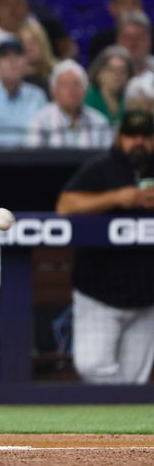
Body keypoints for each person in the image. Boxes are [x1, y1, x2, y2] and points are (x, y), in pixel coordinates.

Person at [56, 110, 154, 384]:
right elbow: (65, 205)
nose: (139, 143)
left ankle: (119, 427)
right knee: (92, 365)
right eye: (132, 136)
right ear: (120, 138)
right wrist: (117, 198)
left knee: (134, 382)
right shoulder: (102, 167)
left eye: (146, 137)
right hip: (99, 294)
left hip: (146, 300)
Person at [28, 59, 113, 148]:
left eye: (77, 84)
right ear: (54, 91)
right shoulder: (41, 120)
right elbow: (34, 156)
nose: (72, 90)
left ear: (85, 90)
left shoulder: (99, 121)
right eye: (65, 85)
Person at [88, 0, 144, 64]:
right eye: (123, 3)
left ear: (141, 6)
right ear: (112, 8)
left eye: (134, 2)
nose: (130, 8)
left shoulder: (152, 37)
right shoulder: (100, 42)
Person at [85, 45, 134, 127]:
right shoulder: (88, 97)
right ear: (99, 73)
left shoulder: (131, 99)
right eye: (111, 69)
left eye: (122, 71)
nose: (117, 75)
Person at [18, 19, 56, 95]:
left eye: (33, 42)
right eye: (23, 43)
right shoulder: (12, 76)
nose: (27, 47)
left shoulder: (57, 72)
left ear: (43, 45)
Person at [115, 10, 154, 75]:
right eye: (127, 37)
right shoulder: (104, 70)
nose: (133, 43)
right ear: (118, 40)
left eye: (138, 37)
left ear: (149, 40)